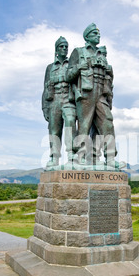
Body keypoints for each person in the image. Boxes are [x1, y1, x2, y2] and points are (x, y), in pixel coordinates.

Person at [67, 23, 123, 169]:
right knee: (84, 125)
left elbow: (108, 76)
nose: (98, 36)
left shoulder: (101, 54)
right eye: (94, 34)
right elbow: (68, 75)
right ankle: (81, 157)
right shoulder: (78, 52)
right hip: (86, 92)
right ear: (87, 37)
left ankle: (110, 158)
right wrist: (79, 67)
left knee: (107, 123)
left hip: (101, 93)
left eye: (98, 34)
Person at [42, 37, 77, 169]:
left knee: (70, 121)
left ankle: (72, 155)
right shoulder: (50, 67)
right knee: (54, 129)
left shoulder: (71, 64)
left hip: (68, 99)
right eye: (61, 46)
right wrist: (44, 107)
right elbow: (45, 88)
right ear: (56, 49)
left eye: (66, 47)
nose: (64, 49)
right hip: (54, 100)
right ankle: (54, 157)